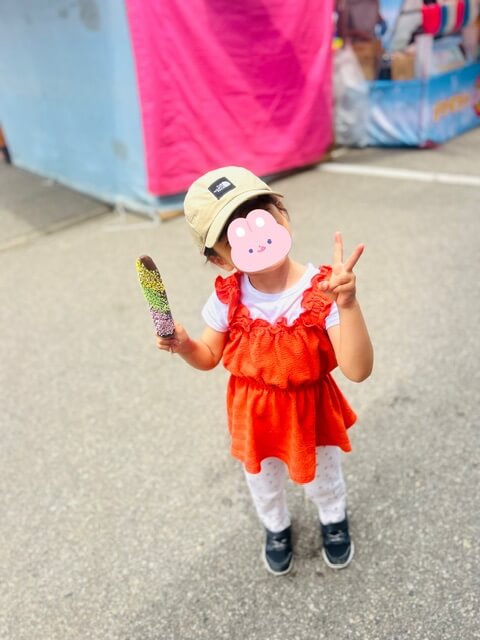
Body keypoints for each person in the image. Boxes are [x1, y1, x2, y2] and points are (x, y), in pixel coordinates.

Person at [156, 166, 373, 576]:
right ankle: (275, 527)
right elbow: (209, 356)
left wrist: (348, 305)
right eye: (233, 233)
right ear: (217, 259)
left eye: (260, 214)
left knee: (324, 475)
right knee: (263, 480)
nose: (254, 235)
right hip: (254, 413)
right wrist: (185, 346)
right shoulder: (228, 297)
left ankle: (333, 518)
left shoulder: (323, 290)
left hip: (310, 407)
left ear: (282, 214)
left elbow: (357, 370)